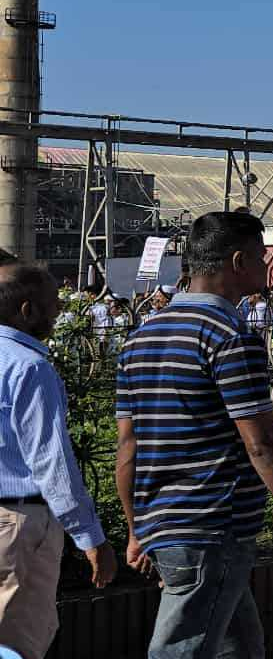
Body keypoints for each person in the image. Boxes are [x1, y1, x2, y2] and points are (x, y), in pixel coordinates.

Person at [117, 212, 273, 659]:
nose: (267, 269)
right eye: (263, 259)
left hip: (168, 526)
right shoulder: (229, 335)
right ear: (239, 262)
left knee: (238, 647)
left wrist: (136, 528)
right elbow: (262, 443)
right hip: (211, 526)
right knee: (180, 651)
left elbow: (129, 446)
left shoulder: (140, 338)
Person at [1, 264, 114, 659]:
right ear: (27, 310)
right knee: (16, 644)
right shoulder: (29, 367)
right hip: (17, 525)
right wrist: (90, 537)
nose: (59, 312)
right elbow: (52, 462)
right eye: (53, 304)